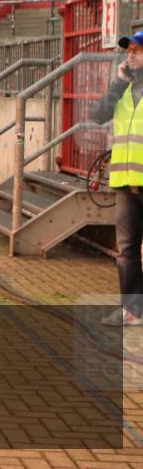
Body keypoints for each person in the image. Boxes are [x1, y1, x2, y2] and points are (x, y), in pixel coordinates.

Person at [92, 31, 143, 326]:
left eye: (138, 50)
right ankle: (133, 311)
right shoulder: (122, 88)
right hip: (125, 181)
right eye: (129, 50)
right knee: (126, 252)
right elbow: (98, 114)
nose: (131, 55)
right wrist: (118, 83)